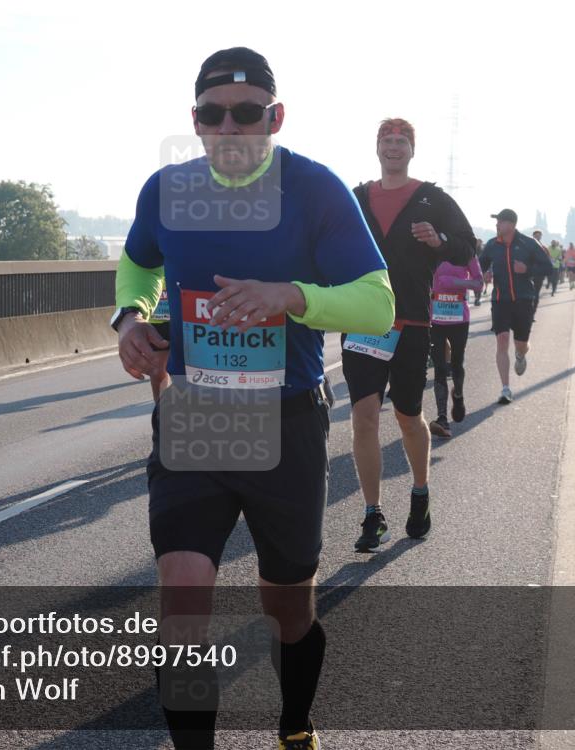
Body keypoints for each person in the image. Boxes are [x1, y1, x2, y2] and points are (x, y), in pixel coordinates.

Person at [112, 48, 394, 750]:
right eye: (214, 114)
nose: (230, 127)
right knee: (180, 603)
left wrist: (293, 296)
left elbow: (379, 303)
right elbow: (138, 262)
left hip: (286, 421)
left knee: (287, 610)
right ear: (196, 122)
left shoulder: (315, 190)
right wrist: (129, 318)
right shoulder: (166, 189)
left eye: (248, 113)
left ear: (276, 116)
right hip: (194, 420)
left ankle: (295, 725)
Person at [344, 118, 475, 552]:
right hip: (363, 322)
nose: (394, 147)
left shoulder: (430, 198)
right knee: (363, 415)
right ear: (377, 147)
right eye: (387, 141)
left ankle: (420, 493)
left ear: (412, 150)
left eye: (401, 141)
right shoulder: (357, 197)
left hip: (413, 322)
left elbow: (467, 245)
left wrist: (439, 241)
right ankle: (372, 513)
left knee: (406, 416)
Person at [479, 209, 552, 405]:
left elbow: (548, 267)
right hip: (500, 301)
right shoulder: (492, 245)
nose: (497, 225)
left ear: (510, 224)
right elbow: (480, 265)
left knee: (521, 343)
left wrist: (527, 269)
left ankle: (521, 354)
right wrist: (484, 274)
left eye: (500, 222)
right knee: (502, 340)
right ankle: (505, 389)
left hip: (523, 300)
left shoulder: (529, 244)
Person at [427, 250, 484, 437]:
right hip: (435, 319)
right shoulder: (431, 252)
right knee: (440, 368)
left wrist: (454, 283)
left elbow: (479, 284)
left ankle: (458, 396)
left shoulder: (466, 253)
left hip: (459, 319)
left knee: (457, 364)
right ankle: (442, 418)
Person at [146, 276, 172, 402]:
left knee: (184, 371)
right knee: (157, 372)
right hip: (156, 319)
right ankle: (161, 414)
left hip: (184, 317)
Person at [529, 230, 551, 317]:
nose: (537, 237)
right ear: (533, 236)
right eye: (536, 236)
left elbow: (548, 261)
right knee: (527, 294)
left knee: (536, 293)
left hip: (539, 274)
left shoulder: (544, 248)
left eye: (539, 236)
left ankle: (532, 313)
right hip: (528, 274)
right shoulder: (526, 246)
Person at [473, 237, 485, 306]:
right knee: (475, 284)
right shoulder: (473, 249)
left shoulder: (482, 250)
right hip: (474, 269)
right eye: (477, 242)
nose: (478, 243)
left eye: (480, 242)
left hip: (481, 269)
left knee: (480, 284)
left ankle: (478, 299)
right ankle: (476, 297)